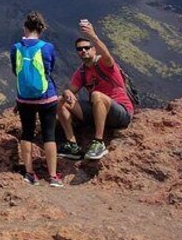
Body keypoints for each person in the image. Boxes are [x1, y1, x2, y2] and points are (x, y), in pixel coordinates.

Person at [57, 19, 134, 161]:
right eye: (80, 49)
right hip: (97, 111)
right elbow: (71, 90)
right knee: (60, 101)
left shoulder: (104, 64)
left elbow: (107, 55)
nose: (83, 51)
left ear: (93, 49)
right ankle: (72, 145)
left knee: (97, 95)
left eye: (87, 47)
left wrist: (93, 36)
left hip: (121, 113)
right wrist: (66, 93)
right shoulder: (81, 72)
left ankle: (99, 143)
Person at [10, 11, 62, 187]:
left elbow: (15, 70)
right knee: (49, 135)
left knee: (27, 133)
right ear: (42, 29)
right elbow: (50, 68)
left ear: (25, 28)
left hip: (24, 99)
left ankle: (29, 174)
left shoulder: (16, 47)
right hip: (47, 97)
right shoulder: (47, 47)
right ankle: (53, 176)